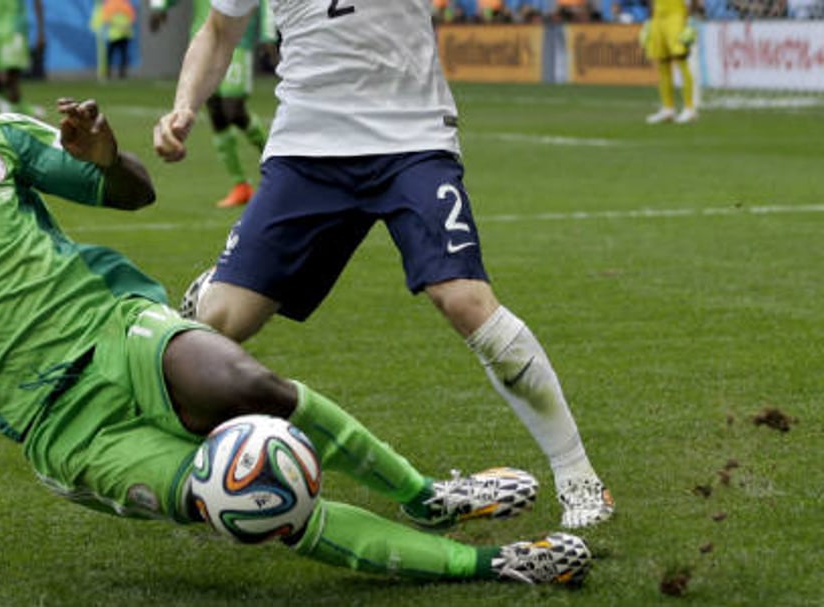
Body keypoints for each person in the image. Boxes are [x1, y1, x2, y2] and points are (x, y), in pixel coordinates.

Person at [0, 53, 593, 587]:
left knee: (253, 386)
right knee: (248, 502)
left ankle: (424, 494)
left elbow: (131, 196)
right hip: (57, 422)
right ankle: (491, 566)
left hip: (116, 329)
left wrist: (106, 156)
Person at [154, 0, 614, 529]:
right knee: (219, 322)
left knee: (464, 298)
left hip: (412, 140)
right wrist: (184, 105)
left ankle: (578, 477)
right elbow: (217, 32)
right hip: (308, 149)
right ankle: (214, 295)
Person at [149, 0, 273, 209]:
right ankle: (239, 185)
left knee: (234, 109)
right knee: (216, 113)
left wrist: (268, 34)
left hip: (238, 43)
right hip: (203, 43)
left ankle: (274, 158)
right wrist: (159, 6)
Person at [641, 0, 698, 124]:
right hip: (658, 16)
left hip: (676, 15)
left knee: (681, 60)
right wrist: (650, 19)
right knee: (662, 62)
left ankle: (690, 108)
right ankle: (668, 109)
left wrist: (690, 18)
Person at [95, 0, 136, 80]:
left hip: (115, 34)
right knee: (122, 54)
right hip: (123, 33)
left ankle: (109, 73)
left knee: (112, 55)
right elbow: (132, 18)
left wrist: (118, 25)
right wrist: (125, 26)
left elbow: (106, 19)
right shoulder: (126, 3)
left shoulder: (109, 3)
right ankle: (121, 74)